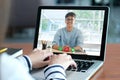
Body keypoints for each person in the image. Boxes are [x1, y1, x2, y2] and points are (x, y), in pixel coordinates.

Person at [0, 1, 77, 80]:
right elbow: (55, 46)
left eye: (72, 19)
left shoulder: (78, 33)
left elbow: (79, 48)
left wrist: (26, 61)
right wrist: (56, 68)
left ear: (75, 21)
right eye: (68, 19)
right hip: (59, 58)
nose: (70, 21)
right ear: (65, 21)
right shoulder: (59, 31)